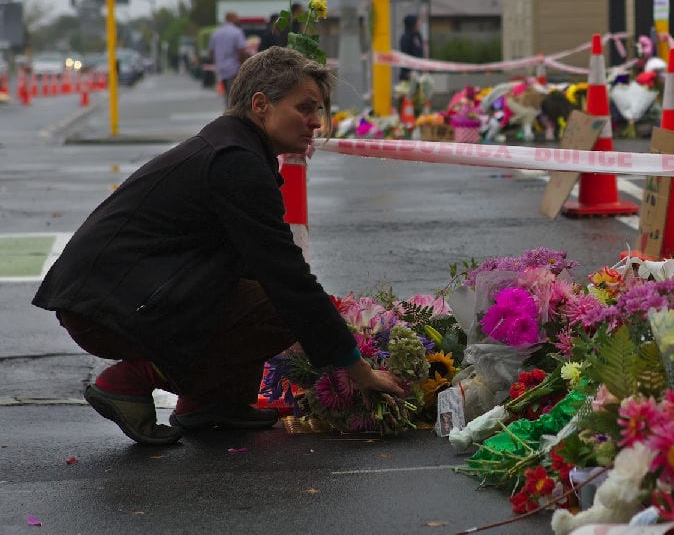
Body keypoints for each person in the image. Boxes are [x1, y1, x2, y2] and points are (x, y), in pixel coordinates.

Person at [31, 47, 407, 445]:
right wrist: (359, 371)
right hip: (106, 309)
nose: (316, 122)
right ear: (261, 105)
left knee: (258, 291)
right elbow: (287, 278)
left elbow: (251, 264)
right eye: (305, 107)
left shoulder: (234, 148)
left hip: (111, 298)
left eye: (319, 110)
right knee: (279, 307)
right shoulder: (236, 162)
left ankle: (212, 403)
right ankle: (132, 379)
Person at [210, 11, 249, 93]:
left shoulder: (215, 33)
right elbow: (241, 50)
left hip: (221, 68)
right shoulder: (237, 32)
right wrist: (244, 64)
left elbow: (211, 52)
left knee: (227, 92)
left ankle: (228, 104)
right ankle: (231, 105)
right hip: (234, 67)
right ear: (232, 19)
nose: (238, 20)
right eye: (236, 18)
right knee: (234, 93)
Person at [398, 14, 424, 81]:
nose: (419, 24)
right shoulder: (405, 38)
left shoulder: (418, 36)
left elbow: (420, 52)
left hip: (418, 69)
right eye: (417, 22)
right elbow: (404, 54)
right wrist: (408, 71)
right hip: (408, 72)